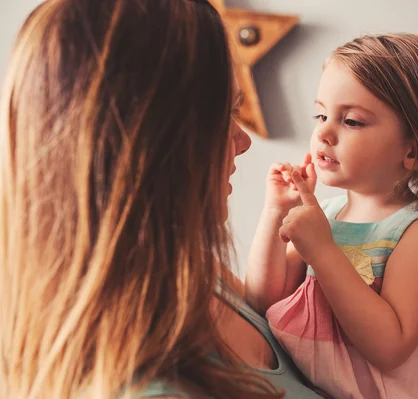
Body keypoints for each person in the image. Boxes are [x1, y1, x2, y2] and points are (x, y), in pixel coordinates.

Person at [0, 0, 324, 398]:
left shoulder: (194, 272)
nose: (242, 142)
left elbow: (266, 297)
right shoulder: (151, 387)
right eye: (225, 113)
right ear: (148, 143)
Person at [245, 33, 418, 399]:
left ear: (413, 151)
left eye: (351, 121)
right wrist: (276, 212)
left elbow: (390, 349)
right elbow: (263, 299)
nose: (323, 132)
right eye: (321, 114)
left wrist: (323, 253)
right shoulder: (331, 216)